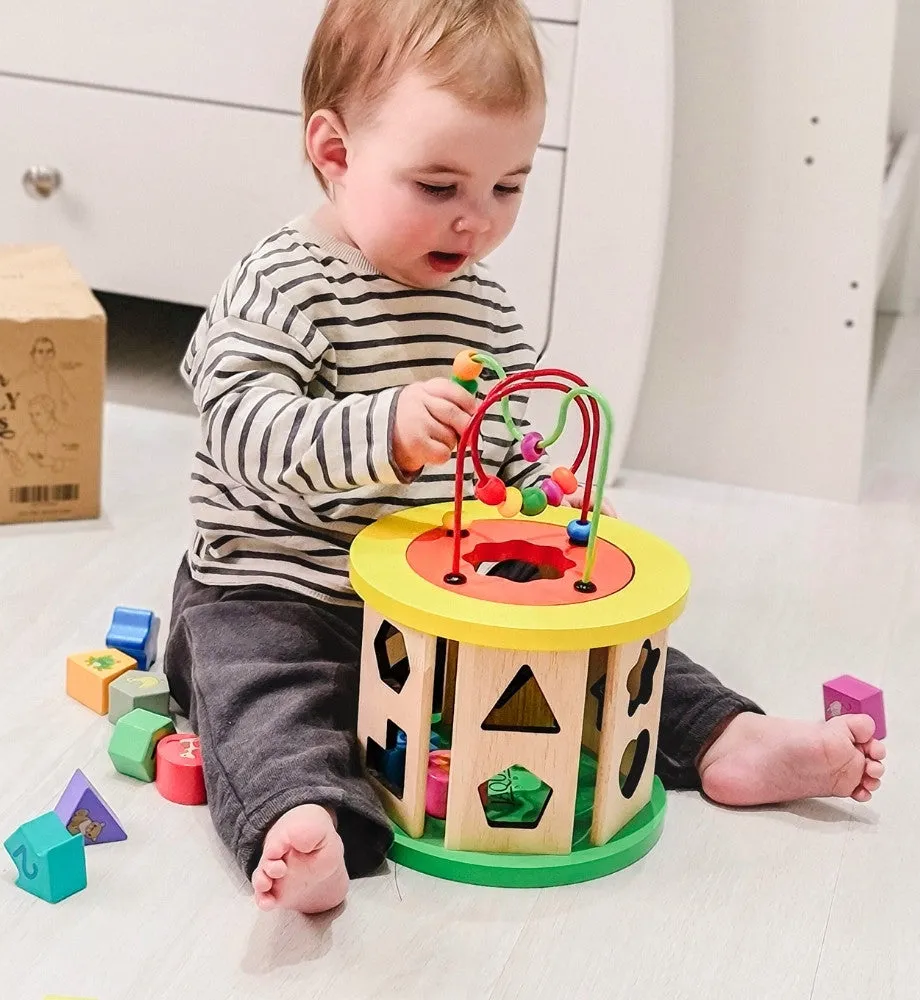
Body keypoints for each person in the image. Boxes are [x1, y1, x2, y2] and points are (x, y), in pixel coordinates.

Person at [166, 0, 886, 915]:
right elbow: (239, 425)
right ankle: (304, 820)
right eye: (439, 187)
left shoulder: (482, 309)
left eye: (507, 188)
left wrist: (553, 507)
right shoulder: (283, 283)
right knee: (262, 697)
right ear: (335, 152)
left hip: (446, 597)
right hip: (277, 589)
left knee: (600, 652)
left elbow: (512, 450)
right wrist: (382, 428)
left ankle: (724, 738)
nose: (476, 223)